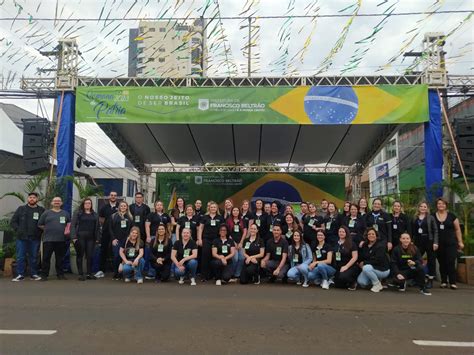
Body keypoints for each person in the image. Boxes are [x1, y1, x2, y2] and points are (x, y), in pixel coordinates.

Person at [10, 192, 44, 282]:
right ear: (28, 199)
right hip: (21, 238)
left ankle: (34, 274)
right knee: (20, 257)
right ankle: (20, 274)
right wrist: (18, 230)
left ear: (37, 199)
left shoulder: (41, 210)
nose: (32, 199)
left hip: (35, 238)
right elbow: (13, 222)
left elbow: (45, 223)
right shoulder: (21, 209)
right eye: (30, 197)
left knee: (33, 257)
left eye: (34, 197)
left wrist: (40, 232)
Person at [37, 196, 71, 281]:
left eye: (59, 201)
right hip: (48, 239)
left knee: (60, 258)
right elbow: (40, 224)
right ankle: (44, 275)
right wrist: (48, 229)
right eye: (55, 201)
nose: (57, 202)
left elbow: (69, 224)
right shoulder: (46, 213)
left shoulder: (65, 213)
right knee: (46, 258)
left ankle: (60, 275)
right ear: (52, 203)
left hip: (61, 240)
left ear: (61, 203)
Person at [434, 198, 463, 289]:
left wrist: (460, 242)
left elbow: (458, 229)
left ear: (446, 205)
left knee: (450, 262)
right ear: (437, 205)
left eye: (443, 204)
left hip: (451, 243)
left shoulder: (452, 216)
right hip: (438, 244)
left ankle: (453, 282)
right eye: (439, 203)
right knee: (441, 262)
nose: (441, 205)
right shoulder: (432, 216)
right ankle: (443, 281)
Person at [70, 198, 100, 281]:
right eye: (86, 203)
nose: (87, 204)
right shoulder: (78, 213)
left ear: (91, 205)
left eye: (89, 203)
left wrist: (97, 238)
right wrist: (74, 238)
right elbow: (73, 225)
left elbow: (97, 228)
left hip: (91, 238)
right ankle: (80, 274)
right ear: (83, 204)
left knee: (90, 256)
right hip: (80, 237)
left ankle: (89, 273)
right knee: (80, 255)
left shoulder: (95, 214)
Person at [412, 201, 438, 288]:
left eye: (425, 207)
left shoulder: (431, 218)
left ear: (427, 208)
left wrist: (435, 242)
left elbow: (435, 230)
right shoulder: (415, 218)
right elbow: (413, 231)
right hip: (418, 241)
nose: (423, 208)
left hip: (429, 240)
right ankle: (416, 279)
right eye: (421, 206)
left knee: (431, 260)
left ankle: (430, 280)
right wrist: (412, 241)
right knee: (416, 259)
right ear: (418, 208)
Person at [198, 201, 225, 281]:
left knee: (215, 257)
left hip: (217, 240)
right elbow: (200, 228)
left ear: (217, 209)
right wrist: (199, 239)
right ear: (209, 208)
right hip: (206, 239)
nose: (213, 208)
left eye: (214, 207)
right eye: (211, 207)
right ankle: (204, 276)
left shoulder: (220, 218)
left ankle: (214, 275)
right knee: (205, 257)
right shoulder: (205, 217)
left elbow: (223, 229)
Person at [357, 228, 390, 292]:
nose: (371, 235)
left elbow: (378, 260)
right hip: (371, 268)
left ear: (376, 236)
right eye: (369, 234)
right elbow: (362, 256)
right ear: (366, 236)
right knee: (362, 283)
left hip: (383, 269)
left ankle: (377, 284)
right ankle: (376, 279)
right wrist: (359, 262)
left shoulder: (380, 246)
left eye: (373, 234)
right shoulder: (364, 245)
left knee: (366, 268)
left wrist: (364, 263)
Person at [145, 200, 171, 278]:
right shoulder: (151, 215)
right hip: (153, 237)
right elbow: (147, 226)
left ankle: (163, 272)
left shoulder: (166, 215)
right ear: (155, 207)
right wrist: (148, 236)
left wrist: (169, 234)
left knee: (163, 253)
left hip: (164, 238)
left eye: (161, 205)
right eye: (157, 205)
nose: (159, 206)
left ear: (163, 207)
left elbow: (169, 226)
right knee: (152, 255)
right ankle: (151, 273)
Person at [109, 201, 133, 279]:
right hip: (116, 240)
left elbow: (132, 229)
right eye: (121, 206)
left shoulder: (130, 217)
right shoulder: (114, 216)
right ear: (119, 207)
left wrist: (129, 238)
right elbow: (110, 229)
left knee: (124, 256)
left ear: (127, 207)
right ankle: (116, 273)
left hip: (126, 240)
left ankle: (123, 273)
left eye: (124, 206)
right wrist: (113, 239)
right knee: (116, 256)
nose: (123, 207)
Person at [98, 191, 119, 275]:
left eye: (115, 195)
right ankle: (101, 270)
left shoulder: (120, 207)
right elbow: (101, 219)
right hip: (106, 231)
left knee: (116, 251)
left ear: (117, 197)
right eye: (112, 195)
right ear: (109, 196)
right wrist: (106, 225)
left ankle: (117, 270)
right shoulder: (104, 207)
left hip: (117, 232)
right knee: (104, 250)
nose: (113, 196)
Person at [333, 226, 359, 290]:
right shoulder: (336, 243)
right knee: (337, 285)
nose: (341, 233)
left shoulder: (352, 243)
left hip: (350, 266)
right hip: (339, 267)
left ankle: (353, 282)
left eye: (343, 232)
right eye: (339, 232)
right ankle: (346, 283)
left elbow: (355, 257)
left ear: (346, 233)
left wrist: (346, 266)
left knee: (343, 277)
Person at [226, 206, 247, 281]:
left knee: (242, 258)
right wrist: (234, 243)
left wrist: (241, 242)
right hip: (232, 243)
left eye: (237, 210)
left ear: (239, 212)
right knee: (235, 258)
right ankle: (231, 273)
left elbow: (245, 232)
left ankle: (237, 274)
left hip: (241, 242)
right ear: (232, 212)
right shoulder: (228, 221)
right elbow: (227, 233)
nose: (235, 212)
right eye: (234, 210)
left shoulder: (242, 220)